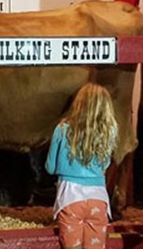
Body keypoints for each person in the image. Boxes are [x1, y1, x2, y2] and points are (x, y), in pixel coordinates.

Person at [45, 83, 117, 249]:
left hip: (70, 197)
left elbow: (50, 167)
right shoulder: (110, 131)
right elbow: (105, 164)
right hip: (99, 198)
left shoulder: (62, 129)